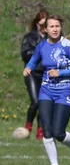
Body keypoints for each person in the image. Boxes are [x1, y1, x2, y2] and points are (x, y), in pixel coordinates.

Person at [23, 14, 70, 165]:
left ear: (60, 28)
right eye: (51, 26)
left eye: (57, 26)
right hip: (46, 90)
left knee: (58, 132)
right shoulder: (42, 46)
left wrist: (60, 73)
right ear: (45, 29)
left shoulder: (68, 46)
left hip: (64, 91)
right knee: (47, 130)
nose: (55, 29)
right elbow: (34, 59)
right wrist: (28, 68)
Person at [20, 9, 49, 140]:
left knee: (44, 103)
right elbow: (25, 54)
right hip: (31, 73)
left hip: (46, 74)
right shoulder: (29, 37)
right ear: (37, 24)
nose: (44, 28)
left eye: (46, 25)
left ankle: (40, 132)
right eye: (42, 25)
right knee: (36, 102)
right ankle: (28, 126)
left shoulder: (52, 39)